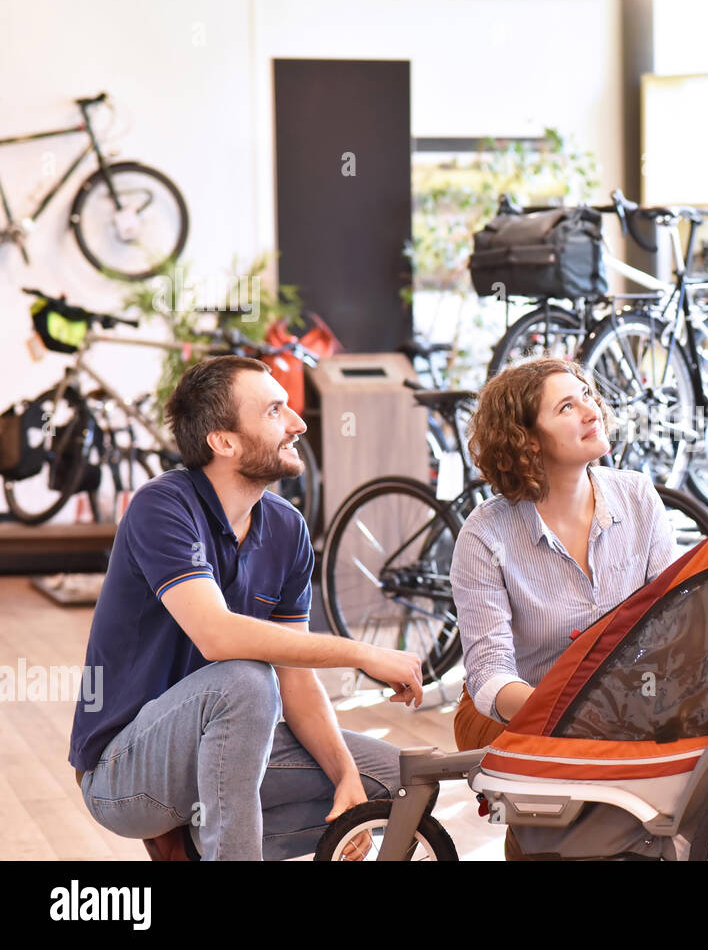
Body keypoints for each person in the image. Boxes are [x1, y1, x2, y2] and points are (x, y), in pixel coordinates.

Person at [68, 356, 424, 861]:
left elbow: (295, 677)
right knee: (245, 678)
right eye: (275, 410)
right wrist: (360, 652)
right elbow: (218, 636)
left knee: (397, 783)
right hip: (123, 770)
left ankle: (198, 848)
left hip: (226, 748)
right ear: (224, 441)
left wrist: (346, 778)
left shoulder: (287, 528)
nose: (297, 422)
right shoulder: (162, 507)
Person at [450, 357, 676, 749]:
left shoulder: (638, 496)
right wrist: (579, 714)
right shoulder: (485, 534)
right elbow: (489, 673)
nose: (592, 411)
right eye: (566, 407)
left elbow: (677, 620)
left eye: (586, 395)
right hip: (520, 713)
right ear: (528, 439)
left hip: (629, 706)